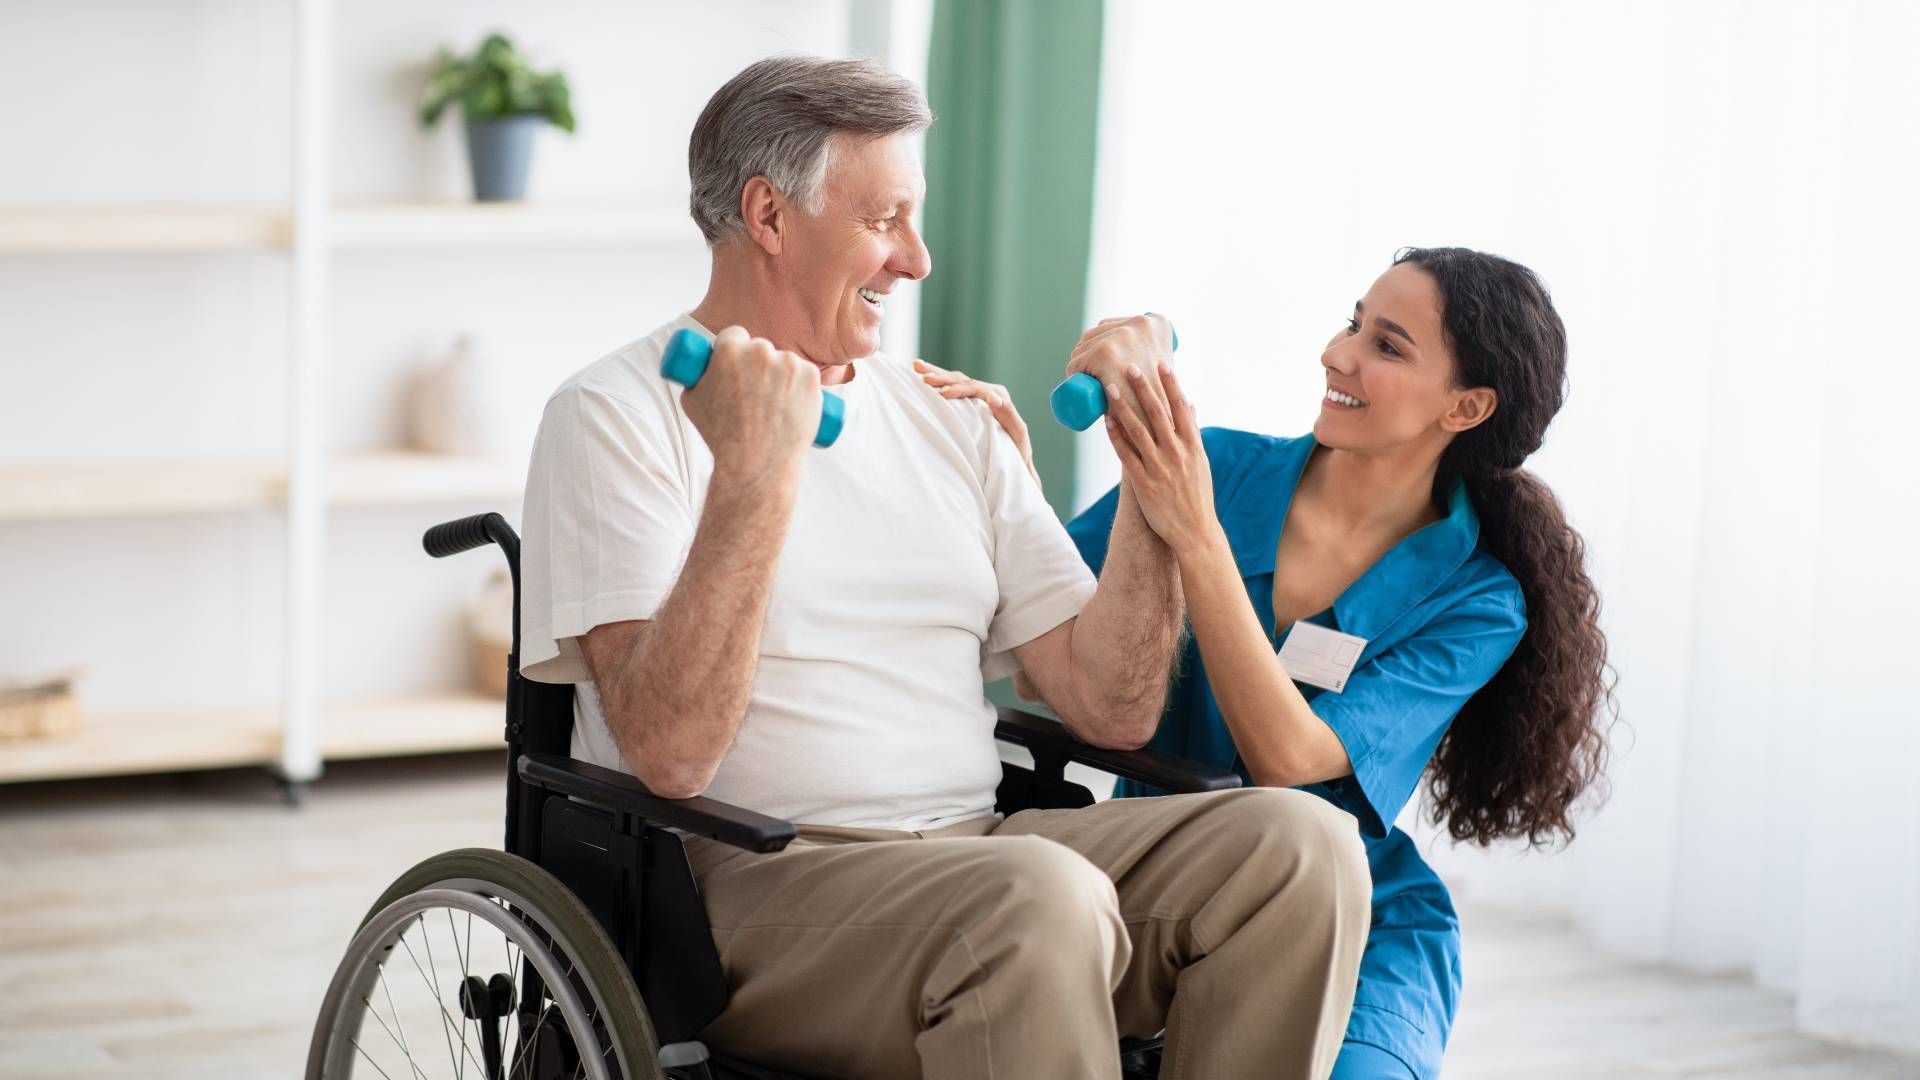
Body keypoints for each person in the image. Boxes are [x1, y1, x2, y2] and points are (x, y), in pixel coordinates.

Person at [517, 55, 1371, 1080]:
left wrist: (1150, 471)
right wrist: (754, 479)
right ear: (769, 216)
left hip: (983, 854)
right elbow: (671, 756)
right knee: (1037, 901)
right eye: (886, 221)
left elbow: (1112, 708)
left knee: (1301, 850)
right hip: (752, 896)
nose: (917, 261)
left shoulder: (944, 418)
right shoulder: (613, 415)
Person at [927, 247, 1613, 1079]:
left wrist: (1194, 530)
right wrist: (1017, 481)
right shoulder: (1216, 466)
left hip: (1355, 916)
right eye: (1352, 321)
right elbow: (1049, 666)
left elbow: (1287, 763)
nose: (1338, 352)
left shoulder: (1477, 600)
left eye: (1387, 346)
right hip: (1160, 880)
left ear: (1465, 407)